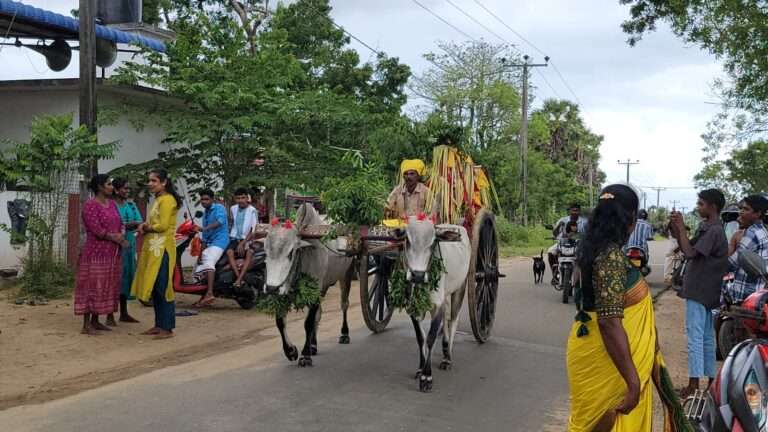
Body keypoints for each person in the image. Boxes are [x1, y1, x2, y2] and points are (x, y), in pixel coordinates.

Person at [567, 184, 688, 431]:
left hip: (590, 348)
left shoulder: (591, 249)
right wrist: (632, 382)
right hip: (608, 360)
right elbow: (609, 322)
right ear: (631, 218)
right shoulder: (610, 257)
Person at [670, 189, 729, 399]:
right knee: (705, 337)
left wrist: (682, 232)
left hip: (699, 289)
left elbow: (690, 252)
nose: (698, 207)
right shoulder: (711, 228)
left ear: (712, 207)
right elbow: (687, 245)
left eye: (701, 204)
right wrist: (678, 229)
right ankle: (711, 382)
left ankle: (694, 384)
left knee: (695, 337)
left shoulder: (713, 231)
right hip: (707, 290)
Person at [131, 168, 181, 339]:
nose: (150, 184)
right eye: (149, 181)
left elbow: (163, 226)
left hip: (163, 249)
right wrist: (144, 225)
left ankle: (167, 327)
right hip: (154, 248)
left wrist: (146, 227)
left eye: (154, 181)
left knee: (162, 286)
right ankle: (159, 324)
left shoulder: (168, 200)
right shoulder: (159, 200)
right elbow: (153, 221)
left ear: (164, 182)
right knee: (155, 286)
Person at [74, 175, 127, 335]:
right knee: (91, 286)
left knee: (104, 285)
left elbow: (120, 222)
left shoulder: (111, 204)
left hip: (111, 253)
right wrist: (114, 237)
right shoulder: (90, 205)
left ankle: (96, 321)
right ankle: (86, 325)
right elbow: (95, 229)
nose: (112, 187)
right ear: (99, 187)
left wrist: (121, 235)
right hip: (95, 254)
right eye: (109, 184)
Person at [109, 177, 141, 324]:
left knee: (126, 278)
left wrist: (132, 225)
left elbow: (139, 222)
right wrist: (128, 225)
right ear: (116, 190)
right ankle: (110, 314)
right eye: (124, 188)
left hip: (129, 245)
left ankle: (124, 312)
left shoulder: (131, 205)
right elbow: (111, 226)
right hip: (115, 245)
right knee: (113, 279)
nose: (127, 191)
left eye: (128, 188)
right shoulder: (110, 205)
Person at [725, 195, 768, 304]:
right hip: (757, 292)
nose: (741, 212)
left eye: (746, 209)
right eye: (741, 209)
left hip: (744, 293)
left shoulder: (752, 233)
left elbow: (731, 263)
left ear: (758, 213)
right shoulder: (762, 231)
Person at [194, 188, 229, 306]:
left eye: (206, 199)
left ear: (212, 200)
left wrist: (204, 228)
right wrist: (199, 254)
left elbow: (220, 222)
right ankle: (203, 296)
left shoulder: (219, 208)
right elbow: (204, 237)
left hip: (220, 241)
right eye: (202, 199)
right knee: (198, 266)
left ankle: (210, 293)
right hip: (209, 244)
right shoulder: (205, 215)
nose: (203, 201)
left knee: (208, 260)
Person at [226, 187, 259, 287]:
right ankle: (238, 277)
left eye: (243, 197)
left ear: (247, 198)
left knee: (249, 253)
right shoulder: (233, 208)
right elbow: (232, 223)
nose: (240, 200)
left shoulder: (253, 210)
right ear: (235, 199)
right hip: (234, 238)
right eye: (238, 198)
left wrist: (242, 243)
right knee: (229, 252)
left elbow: (253, 230)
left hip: (247, 239)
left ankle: (239, 279)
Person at [548, 203, 588, 284]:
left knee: (587, 257)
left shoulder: (584, 221)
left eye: (576, 210)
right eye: (573, 210)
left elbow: (588, 233)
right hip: (563, 244)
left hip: (578, 245)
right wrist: (559, 226)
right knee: (550, 252)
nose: (574, 212)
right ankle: (555, 274)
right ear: (569, 211)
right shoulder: (563, 220)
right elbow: (555, 234)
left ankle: (584, 277)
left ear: (579, 211)